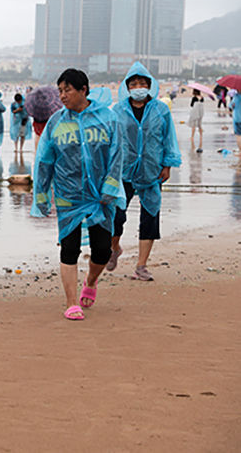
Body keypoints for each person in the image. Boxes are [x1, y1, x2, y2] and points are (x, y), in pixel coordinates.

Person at [31, 69, 125, 321]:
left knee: (102, 250)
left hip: (100, 196)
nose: (62, 95)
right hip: (67, 196)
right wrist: (40, 193)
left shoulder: (107, 119)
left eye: (67, 90)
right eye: (60, 90)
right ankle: (71, 302)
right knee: (69, 247)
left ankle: (91, 281)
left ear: (83, 90)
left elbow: (117, 154)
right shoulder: (56, 122)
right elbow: (44, 160)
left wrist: (111, 185)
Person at [107, 62, 181, 280]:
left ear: (150, 85)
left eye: (142, 83)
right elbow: (111, 140)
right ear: (127, 87)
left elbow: (169, 138)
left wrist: (167, 165)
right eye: (134, 83)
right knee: (116, 216)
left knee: (150, 217)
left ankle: (141, 265)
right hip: (123, 171)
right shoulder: (118, 110)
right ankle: (115, 248)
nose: (138, 86)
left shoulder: (161, 110)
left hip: (152, 170)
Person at [188, 89, 204, 153]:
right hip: (201, 112)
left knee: (193, 125)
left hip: (195, 112)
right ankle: (201, 136)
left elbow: (191, 105)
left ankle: (192, 136)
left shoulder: (194, 98)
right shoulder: (202, 98)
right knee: (200, 125)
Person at [231, 89, 241, 155]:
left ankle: (240, 151)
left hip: (237, 118)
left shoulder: (236, 96)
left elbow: (231, 106)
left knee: (238, 136)